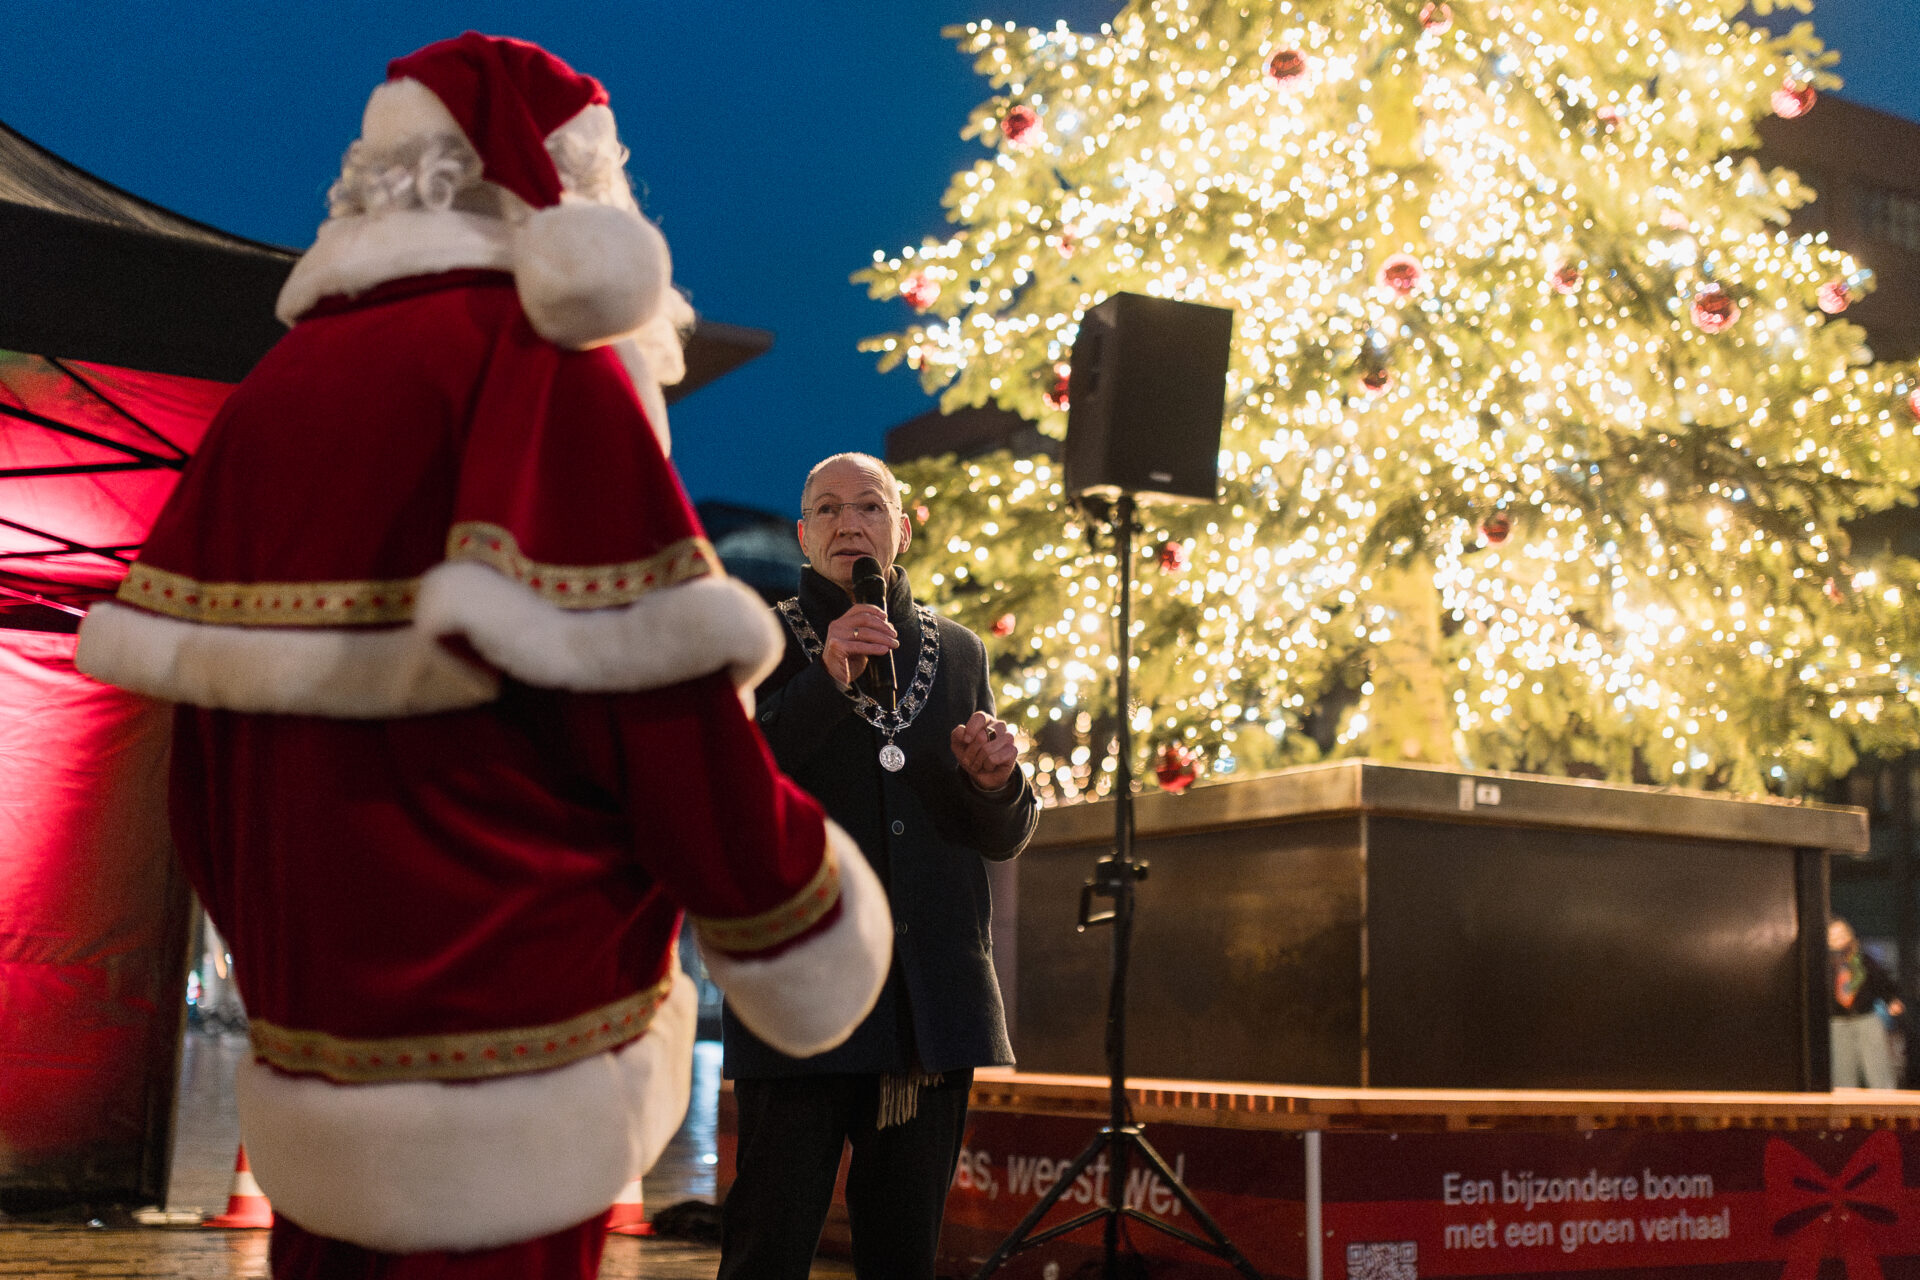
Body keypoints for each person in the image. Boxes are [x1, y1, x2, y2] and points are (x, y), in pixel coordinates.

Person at [75, 33, 892, 1280]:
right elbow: (661, 724)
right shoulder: (537, 371)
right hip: (517, 1046)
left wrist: (297, 968)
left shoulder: (272, 397)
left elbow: (199, 772)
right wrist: (794, 914)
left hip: (320, 1047)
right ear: (565, 190)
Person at [718, 452, 1039, 1280]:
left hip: (925, 1010)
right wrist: (826, 676)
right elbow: (731, 788)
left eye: (869, 506)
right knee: (767, 1247)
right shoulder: (757, 640)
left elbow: (999, 837)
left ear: (901, 529)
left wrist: (996, 781)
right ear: (802, 534)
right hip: (802, 994)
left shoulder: (960, 652)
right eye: (826, 509)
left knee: (903, 1254)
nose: (848, 523)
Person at [1829, 916, 1905, 1089]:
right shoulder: (1824, 964)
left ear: (1849, 935)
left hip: (1866, 1018)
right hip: (1839, 1022)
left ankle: (1885, 1112)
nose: (1838, 939)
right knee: (1843, 1073)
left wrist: (1891, 1000)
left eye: (1841, 934)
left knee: (1878, 1069)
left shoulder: (1864, 960)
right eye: (1833, 935)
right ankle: (1845, 1113)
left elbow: (1881, 982)